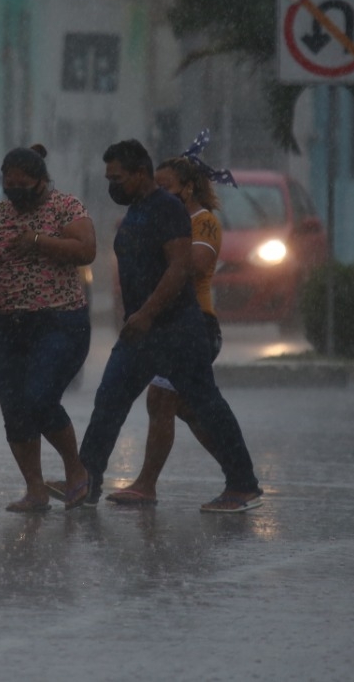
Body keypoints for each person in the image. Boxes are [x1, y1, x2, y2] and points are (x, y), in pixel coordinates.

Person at [78, 139, 263, 513]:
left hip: (180, 326)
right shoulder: (139, 210)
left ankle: (242, 484)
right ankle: (86, 481)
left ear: (141, 175)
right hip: (142, 332)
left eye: (118, 178)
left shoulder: (175, 213)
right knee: (112, 399)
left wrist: (147, 312)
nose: (112, 185)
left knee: (202, 404)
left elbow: (183, 266)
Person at [0, 145, 96, 513]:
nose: (14, 190)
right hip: (8, 324)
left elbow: (86, 249)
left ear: (41, 182)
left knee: (40, 399)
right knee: (15, 409)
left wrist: (38, 241)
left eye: (22, 184)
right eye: (8, 183)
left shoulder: (66, 207)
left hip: (60, 321)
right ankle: (34, 488)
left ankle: (76, 470)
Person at [104, 152, 226, 506]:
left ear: (188, 189)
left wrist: (164, 250)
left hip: (195, 324)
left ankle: (146, 484)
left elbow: (195, 262)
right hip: (165, 325)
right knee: (187, 408)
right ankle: (237, 473)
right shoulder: (156, 218)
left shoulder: (202, 222)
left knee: (161, 399)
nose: (160, 193)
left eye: (167, 187)